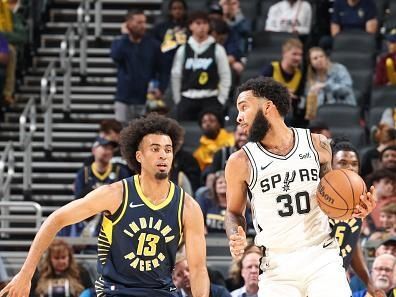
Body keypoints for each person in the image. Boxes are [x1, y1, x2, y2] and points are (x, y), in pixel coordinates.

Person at [0, 114, 210, 297]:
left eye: (168, 149)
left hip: (162, 291)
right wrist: (26, 274)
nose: (163, 154)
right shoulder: (115, 194)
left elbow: (198, 268)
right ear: (139, 156)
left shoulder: (188, 206)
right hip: (115, 291)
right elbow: (56, 220)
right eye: (155, 149)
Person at [224, 77, 377, 296]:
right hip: (277, 266)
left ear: (267, 107)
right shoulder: (240, 161)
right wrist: (234, 234)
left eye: (244, 107)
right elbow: (232, 212)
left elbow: (333, 202)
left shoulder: (318, 145)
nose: (238, 117)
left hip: (322, 258)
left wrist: (356, 208)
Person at [330, 139, 377, 295]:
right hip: (312, 276)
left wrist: (369, 282)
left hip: (337, 280)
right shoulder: (319, 196)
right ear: (330, 166)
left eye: (354, 163)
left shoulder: (360, 200)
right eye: (342, 162)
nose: (349, 167)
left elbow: (351, 242)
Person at [171, 11, 231, 121]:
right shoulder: (183, 50)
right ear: (191, 26)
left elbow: (225, 76)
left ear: (209, 26)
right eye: (198, 23)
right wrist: (178, 100)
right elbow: (176, 75)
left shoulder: (218, 49)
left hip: (210, 99)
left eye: (204, 23)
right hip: (187, 98)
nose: (202, 27)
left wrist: (221, 99)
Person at [111, 10, 167, 124]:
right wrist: (125, 37)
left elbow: (163, 70)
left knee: (144, 133)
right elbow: (116, 56)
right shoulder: (119, 43)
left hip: (146, 98)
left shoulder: (153, 45)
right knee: (122, 134)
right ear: (129, 24)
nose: (143, 26)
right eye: (139, 23)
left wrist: (161, 88)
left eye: (144, 22)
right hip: (124, 97)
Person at [261, 38, 305, 127]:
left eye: (300, 55)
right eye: (294, 54)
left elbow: (299, 97)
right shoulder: (271, 68)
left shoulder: (300, 74)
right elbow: (260, 89)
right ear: (284, 54)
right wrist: (282, 92)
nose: (298, 58)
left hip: (290, 111)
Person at [303, 47, 356, 120]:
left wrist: (325, 86)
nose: (319, 59)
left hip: (343, 109)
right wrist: (312, 95)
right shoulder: (311, 79)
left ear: (326, 57)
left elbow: (347, 90)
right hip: (322, 116)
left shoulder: (339, 69)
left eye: (321, 56)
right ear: (310, 63)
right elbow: (307, 102)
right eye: (315, 58)